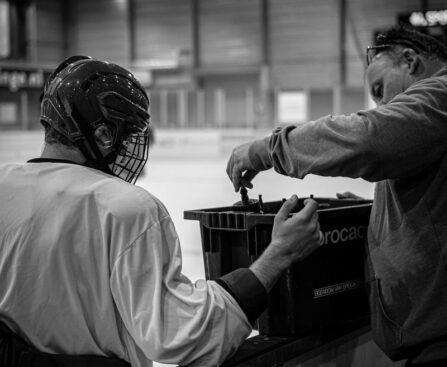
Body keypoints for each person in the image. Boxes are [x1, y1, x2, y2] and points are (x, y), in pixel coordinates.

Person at [0, 56, 322, 367]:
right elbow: (182, 336)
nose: (130, 150)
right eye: (126, 137)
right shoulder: (126, 209)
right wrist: (277, 255)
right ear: (102, 134)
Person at [226, 26, 447, 367]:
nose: (383, 105)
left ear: (410, 61)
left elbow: (368, 138)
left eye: (380, 89)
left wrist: (267, 149)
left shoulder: (440, 95)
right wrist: (374, 212)